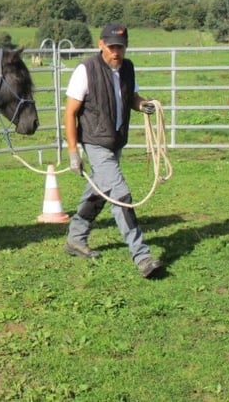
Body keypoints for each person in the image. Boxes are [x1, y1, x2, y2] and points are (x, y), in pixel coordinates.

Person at [63, 23, 163, 278]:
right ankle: (142, 256)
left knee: (98, 192)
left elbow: (131, 97)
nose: (116, 52)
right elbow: (70, 112)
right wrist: (73, 151)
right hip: (96, 143)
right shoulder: (86, 70)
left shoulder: (127, 68)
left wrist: (143, 105)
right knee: (120, 195)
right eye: (111, 47)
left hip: (116, 141)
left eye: (120, 47)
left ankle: (75, 238)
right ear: (101, 45)